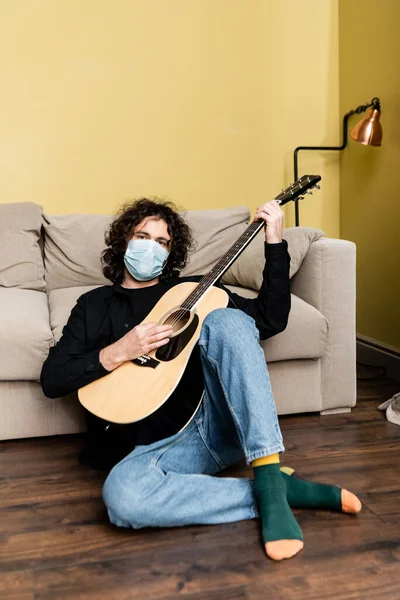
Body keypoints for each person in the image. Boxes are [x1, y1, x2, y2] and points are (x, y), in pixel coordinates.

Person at [41, 198, 362, 562]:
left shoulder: (194, 292)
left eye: (162, 242)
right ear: (124, 242)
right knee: (123, 499)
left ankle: (268, 468)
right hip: (147, 453)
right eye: (142, 236)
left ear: (171, 252)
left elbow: (269, 321)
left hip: (209, 428)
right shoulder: (92, 305)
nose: (151, 246)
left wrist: (274, 242)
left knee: (230, 320)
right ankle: (273, 490)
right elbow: (52, 378)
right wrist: (120, 350)